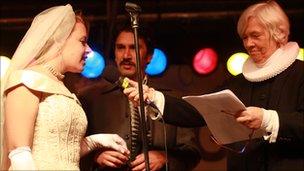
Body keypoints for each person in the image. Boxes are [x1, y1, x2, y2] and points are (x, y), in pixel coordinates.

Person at [148, 1, 303, 170]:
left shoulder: (300, 74)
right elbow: (197, 111)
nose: (248, 44)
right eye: (245, 37)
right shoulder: (238, 82)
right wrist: (153, 98)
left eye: (255, 36)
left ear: (279, 34)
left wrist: (267, 119)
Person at [0, 4, 129, 170]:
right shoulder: (27, 79)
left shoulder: (64, 87)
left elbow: (60, 151)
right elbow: (20, 153)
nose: (89, 50)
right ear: (60, 40)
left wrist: (94, 141)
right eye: (83, 41)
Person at [79, 25, 202, 171]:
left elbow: (192, 152)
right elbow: (70, 148)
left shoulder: (171, 99)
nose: (126, 55)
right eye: (120, 48)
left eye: (134, 48)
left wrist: (165, 158)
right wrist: (94, 156)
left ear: (149, 56)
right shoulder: (91, 98)